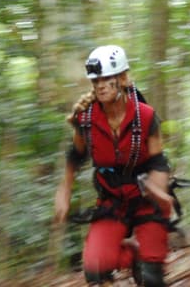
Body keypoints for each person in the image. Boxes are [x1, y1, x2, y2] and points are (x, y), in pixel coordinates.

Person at [54, 45, 173, 286]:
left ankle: (146, 258)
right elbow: (75, 156)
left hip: (147, 201)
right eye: (96, 79)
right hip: (112, 202)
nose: (100, 85)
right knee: (95, 270)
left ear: (122, 78)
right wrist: (64, 191)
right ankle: (132, 253)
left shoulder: (146, 116)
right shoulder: (86, 120)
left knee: (152, 278)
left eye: (107, 78)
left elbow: (159, 161)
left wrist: (158, 190)